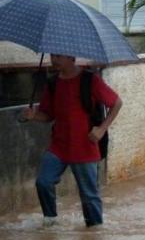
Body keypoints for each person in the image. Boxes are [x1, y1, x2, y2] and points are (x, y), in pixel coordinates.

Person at [22, 53, 122, 228]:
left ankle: (95, 234)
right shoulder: (53, 83)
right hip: (59, 146)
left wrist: (102, 129)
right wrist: (33, 116)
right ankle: (51, 222)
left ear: (72, 58)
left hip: (85, 147)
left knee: (89, 196)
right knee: (43, 182)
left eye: (59, 56)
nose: (54, 60)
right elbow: (48, 116)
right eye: (53, 55)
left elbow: (116, 102)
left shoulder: (90, 80)